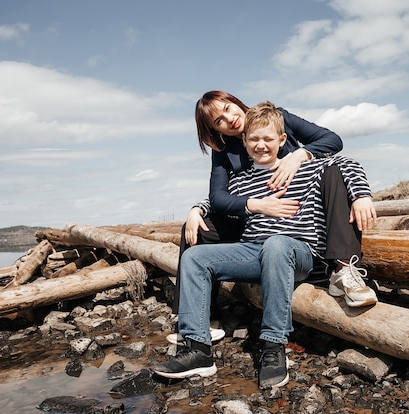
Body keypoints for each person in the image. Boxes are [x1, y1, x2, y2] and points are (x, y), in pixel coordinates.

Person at [154, 102, 377, 389]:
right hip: (254, 251)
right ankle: (198, 349)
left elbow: (346, 163)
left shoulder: (306, 167)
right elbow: (216, 201)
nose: (261, 145)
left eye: (268, 139)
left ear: (282, 140)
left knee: (276, 245)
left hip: (297, 251)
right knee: (196, 256)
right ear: (244, 143)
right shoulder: (242, 180)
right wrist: (196, 210)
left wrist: (361, 196)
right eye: (254, 140)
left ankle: (273, 347)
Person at [171, 90, 375, 323]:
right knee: (196, 227)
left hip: (300, 217)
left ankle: (342, 267)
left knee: (333, 175)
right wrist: (199, 208)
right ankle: (198, 317)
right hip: (256, 222)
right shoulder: (224, 150)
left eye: (227, 109)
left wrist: (301, 154)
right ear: (216, 130)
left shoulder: (280, 118)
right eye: (219, 121)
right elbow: (219, 195)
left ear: (235, 102)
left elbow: (333, 141)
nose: (229, 120)